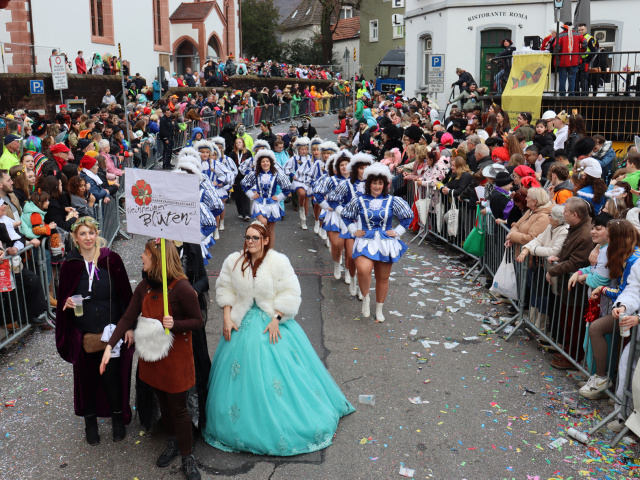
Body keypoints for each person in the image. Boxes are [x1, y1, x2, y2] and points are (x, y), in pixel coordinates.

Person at [203, 222, 355, 455]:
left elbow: (290, 293)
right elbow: (226, 289)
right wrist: (226, 317)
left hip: (272, 321)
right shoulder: (233, 261)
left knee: (282, 378)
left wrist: (276, 317)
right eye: (247, 237)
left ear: (265, 240)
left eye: (255, 238)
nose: (250, 241)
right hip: (240, 323)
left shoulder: (278, 262)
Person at [100, 239, 203, 480]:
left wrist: (175, 324)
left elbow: (197, 321)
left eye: (145, 254)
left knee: (179, 408)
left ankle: (188, 457)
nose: (141, 258)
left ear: (157, 259)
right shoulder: (144, 287)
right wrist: (109, 346)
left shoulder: (182, 288)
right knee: (164, 405)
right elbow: (127, 318)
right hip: (151, 358)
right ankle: (172, 442)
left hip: (176, 359)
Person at [55, 217, 134, 445]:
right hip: (83, 334)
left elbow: (125, 297)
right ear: (74, 237)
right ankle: (90, 422)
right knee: (86, 381)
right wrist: (67, 304)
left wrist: (128, 327)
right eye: (83, 234)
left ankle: (117, 418)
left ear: (97, 233)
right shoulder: (70, 266)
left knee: (112, 379)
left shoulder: (111, 260)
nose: (88, 238)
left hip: (111, 334)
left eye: (91, 233)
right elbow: (62, 303)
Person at [342, 163, 413, 321]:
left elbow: (408, 216)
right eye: (374, 183)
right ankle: (365, 298)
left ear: (385, 184)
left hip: (385, 242)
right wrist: (354, 230)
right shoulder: (359, 201)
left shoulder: (392, 200)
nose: (377, 186)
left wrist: (397, 232)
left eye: (380, 183)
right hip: (365, 240)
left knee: (383, 278)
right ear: (368, 184)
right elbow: (346, 215)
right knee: (363, 270)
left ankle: (379, 308)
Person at [583, 220, 640, 398]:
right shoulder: (625, 254)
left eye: (610, 236)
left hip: (633, 316)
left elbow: (625, 290)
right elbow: (629, 292)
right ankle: (607, 384)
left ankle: (605, 381)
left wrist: (603, 289)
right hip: (625, 311)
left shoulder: (633, 259)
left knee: (597, 329)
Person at [241, 149, 292, 247]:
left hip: (272, 203)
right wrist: (251, 195)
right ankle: (261, 248)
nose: (265, 163)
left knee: (271, 230)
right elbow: (244, 184)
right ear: (259, 163)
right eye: (263, 161)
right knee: (263, 223)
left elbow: (287, 187)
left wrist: (279, 197)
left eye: (267, 161)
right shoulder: (254, 174)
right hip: (259, 203)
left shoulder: (277, 174)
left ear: (271, 163)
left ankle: (269, 251)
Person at [550, 23, 587, 96]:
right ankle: (571, 94)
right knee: (572, 79)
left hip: (563, 61)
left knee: (562, 79)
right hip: (574, 61)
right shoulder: (578, 35)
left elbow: (555, 47)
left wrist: (558, 53)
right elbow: (585, 43)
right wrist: (581, 52)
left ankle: (562, 94)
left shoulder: (560, 36)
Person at [229, 137, 252, 221]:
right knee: (238, 195)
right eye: (237, 143)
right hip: (236, 178)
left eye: (240, 142)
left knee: (245, 195)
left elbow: (250, 165)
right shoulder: (232, 154)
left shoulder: (248, 153)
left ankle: (246, 213)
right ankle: (240, 212)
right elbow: (229, 165)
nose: (238, 144)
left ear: (243, 143)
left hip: (245, 177)